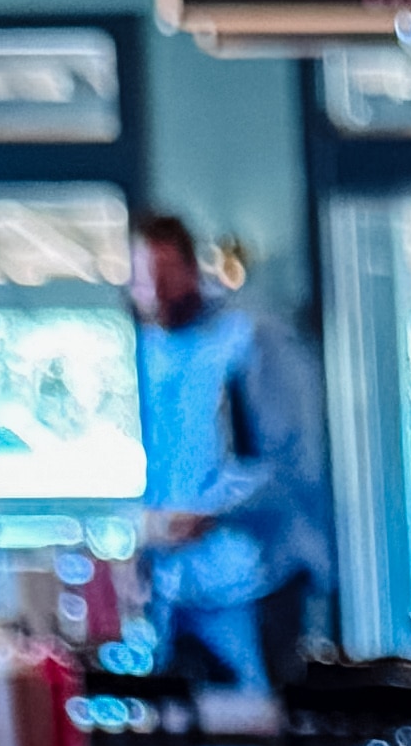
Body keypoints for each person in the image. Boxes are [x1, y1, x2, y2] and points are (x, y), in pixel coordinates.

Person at [127, 213, 333, 700]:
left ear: (190, 270)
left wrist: (210, 513)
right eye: (141, 280)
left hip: (253, 585)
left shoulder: (253, 340)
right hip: (177, 590)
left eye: (163, 277)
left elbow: (291, 463)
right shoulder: (147, 351)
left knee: (262, 740)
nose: (153, 293)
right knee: (182, 742)